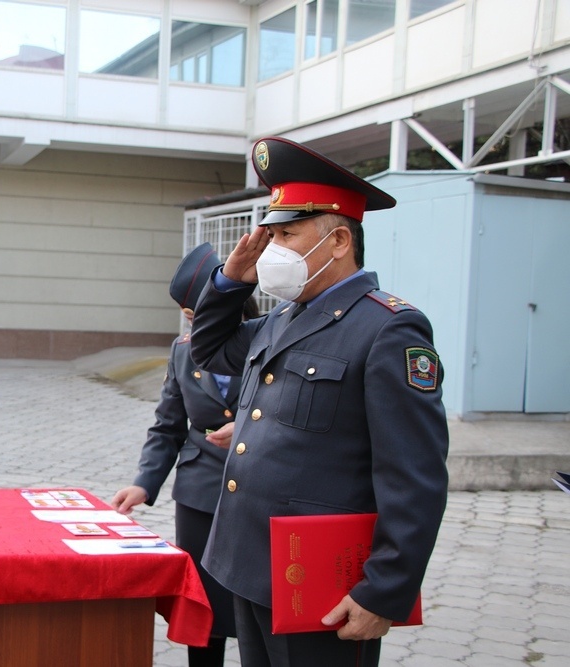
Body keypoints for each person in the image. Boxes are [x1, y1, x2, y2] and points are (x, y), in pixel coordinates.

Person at [188, 136, 449, 667]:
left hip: (321, 579)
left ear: (336, 242)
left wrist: (384, 590)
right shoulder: (286, 316)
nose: (273, 248)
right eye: (272, 234)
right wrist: (230, 280)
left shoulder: (387, 328)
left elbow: (414, 475)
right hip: (252, 562)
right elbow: (210, 350)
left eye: (287, 234)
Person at [111, 242, 259, 667]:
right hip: (198, 494)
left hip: (257, 490)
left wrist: (250, 428)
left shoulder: (270, 339)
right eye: (191, 319)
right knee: (204, 608)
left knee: (255, 606)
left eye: (201, 317)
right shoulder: (182, 351)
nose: (195, 329)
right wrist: (144, 482)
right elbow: (167, 425)